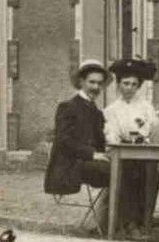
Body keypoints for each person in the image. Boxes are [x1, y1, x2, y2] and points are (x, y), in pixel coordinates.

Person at [43, 60, 111, 232]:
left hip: (88, 163)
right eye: (92, 82)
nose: (96, 87)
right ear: (81, 82)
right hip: (69, 166)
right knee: (117, 172)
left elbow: (100, 142)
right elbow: (64, 141)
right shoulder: (68, 107)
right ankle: (105, 222)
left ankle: (113, 221)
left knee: (128, 169)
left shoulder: (96, 112)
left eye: (99, 83)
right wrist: (92, 154)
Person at [102, 57, 159, 237]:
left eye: (134, 84)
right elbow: (111, 134)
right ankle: (130, 222)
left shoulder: (146, 107)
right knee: (127, 170)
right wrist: (117, 143)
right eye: (126, 83)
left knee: (152, 169)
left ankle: (145, 218)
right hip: (122, 152)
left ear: (138, 86)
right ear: (118, 84)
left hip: (143, 150)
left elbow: (152, 129)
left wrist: (146, 137)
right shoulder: (111, 110)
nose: (129, 88)